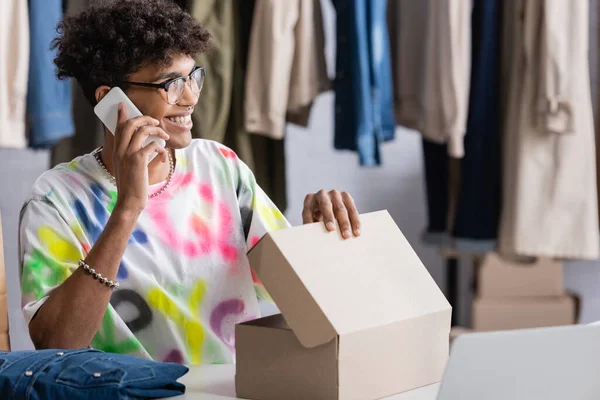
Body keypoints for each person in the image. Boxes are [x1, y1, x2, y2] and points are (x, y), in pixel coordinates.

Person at [19, 0, 361, 365]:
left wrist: (315, 234)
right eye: (171, 84)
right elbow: (57, 344)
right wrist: (128, 209)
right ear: (110, 101)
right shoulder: (55, 199)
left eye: (193, 77)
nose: (191, 97)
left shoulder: (220, 166)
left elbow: (295, 297)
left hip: (234, 388)